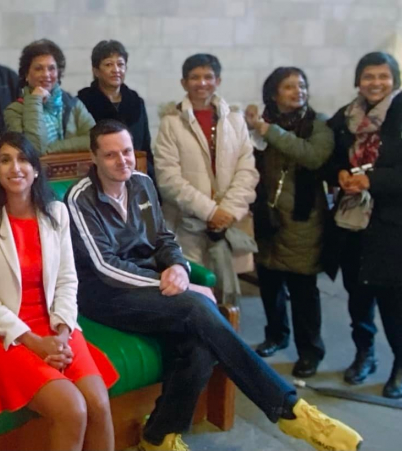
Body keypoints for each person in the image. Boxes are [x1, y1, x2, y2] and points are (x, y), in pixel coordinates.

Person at [66, 120, 362, 451]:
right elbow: (105, 266)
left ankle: (158, 436)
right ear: (94, 157)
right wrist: (179, 286)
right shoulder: (79, 199)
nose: (122, 161)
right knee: (198, 307)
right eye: (110, 155)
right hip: (105, 294)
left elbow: (162, 237)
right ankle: (287, 408)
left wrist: (177, 266)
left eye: (126, 151)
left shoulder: (141, 183)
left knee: (200, 343)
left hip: (148, 283)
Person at [0, 132, 118, 451]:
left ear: (35, 169)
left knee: (99, 404)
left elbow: (67, 281)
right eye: (5, 160)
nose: (15, 168)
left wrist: (61, 333)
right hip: (1, 334)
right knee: (72, 408)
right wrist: (34, 342)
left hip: (55, 326)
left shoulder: (56, 213)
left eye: (23, 159)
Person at [245, 67, 333, 378]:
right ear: (273, 93)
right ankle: (276, 335)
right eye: (289, 86)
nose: (299, 91)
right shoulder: (262, 123)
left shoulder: (318, 124)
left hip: (302, 219)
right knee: (270, 283)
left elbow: (313, 156)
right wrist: (254, 126)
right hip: (269, 217)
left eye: (302, 85)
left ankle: (310, 350)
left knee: (303, 288)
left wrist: (270, 131)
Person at [326, 52, 402, 399]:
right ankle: (364, 354)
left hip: (389, 225)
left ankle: (400, 364)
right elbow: (331, 158)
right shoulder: (346, 117)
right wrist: (338, 173)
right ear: (358, 80)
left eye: (383, 76)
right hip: (352, 219)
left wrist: (373, 181)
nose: (375, 83)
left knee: (392, 301)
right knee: (357, 297)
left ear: (395, 79)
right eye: (368, 76)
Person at [154, 53, 258, 302]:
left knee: (226, 293)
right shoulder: (171, 123)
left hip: (226, 222)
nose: (202, 83)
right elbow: (169, 178)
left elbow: (247, 168)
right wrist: (211, 212)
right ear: (183, 83)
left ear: (218, 80)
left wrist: (228, 210)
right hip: (187, 224)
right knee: (194, 292)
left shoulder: (235, 119)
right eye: (195, 77)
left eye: (208, 77)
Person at [78, 40, 155, 179]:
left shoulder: (136, 102)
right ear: (96, 71)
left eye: (120, 64)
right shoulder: (83, 102)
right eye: (108, 64)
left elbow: (145, 147)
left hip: (136, 174)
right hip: (98, 176)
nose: (116, 70)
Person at [4, 39, 96, 155]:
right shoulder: (14, 111)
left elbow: (95, 140)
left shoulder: (72, 104)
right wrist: (35, 100)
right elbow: (34, 149)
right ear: (26, 74)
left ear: (58, 73)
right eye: (38, 69)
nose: (46, 74)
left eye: (51, 68)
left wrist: (51, 148)